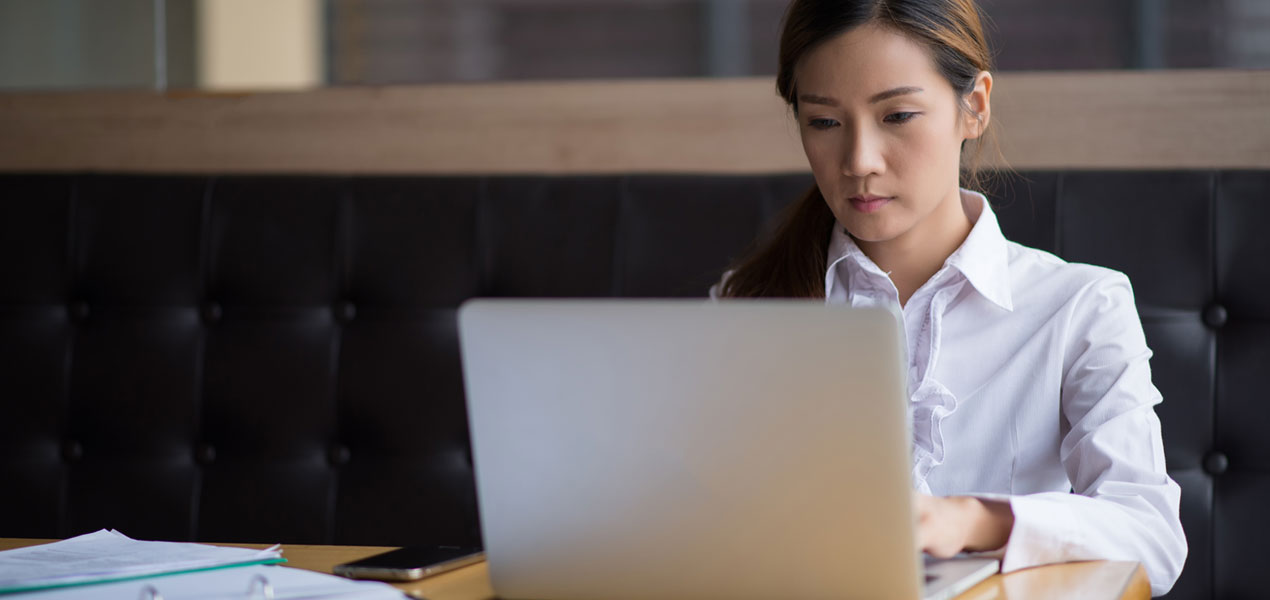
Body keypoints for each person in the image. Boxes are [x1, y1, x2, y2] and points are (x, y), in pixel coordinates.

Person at [711, 0, 1187, 595]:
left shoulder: (1080, 307)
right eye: (824, 122)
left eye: (898, 115)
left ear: (975, 107)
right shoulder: (749, 303)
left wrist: (966, 520)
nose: (859, 162)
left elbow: (1152, 535)